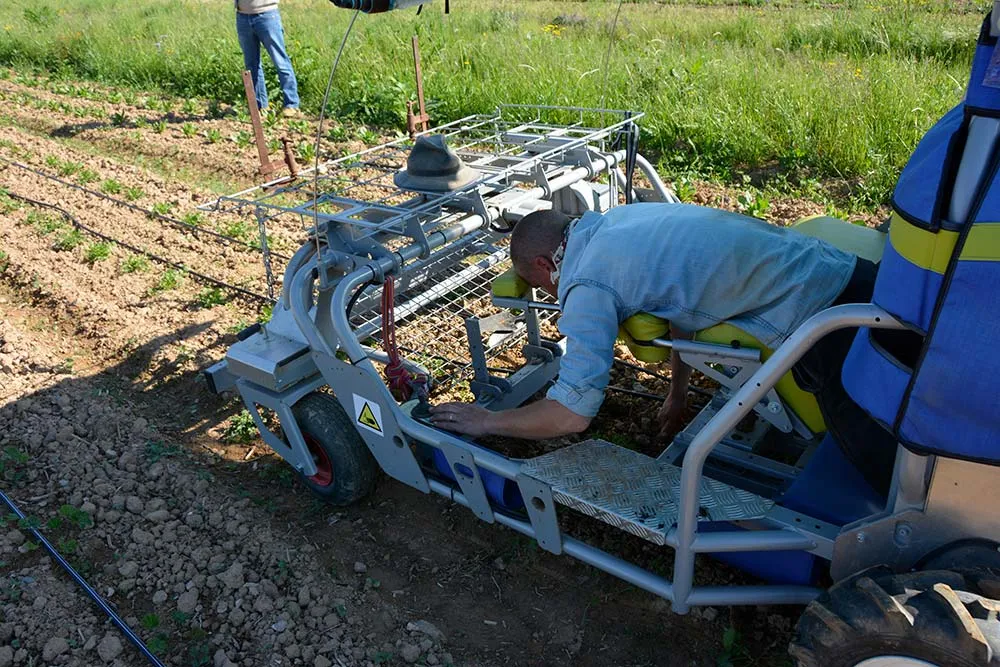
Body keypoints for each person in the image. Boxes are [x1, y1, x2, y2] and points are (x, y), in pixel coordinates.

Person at [429, 203, 897, 494]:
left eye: (543, 287)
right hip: (844, 268)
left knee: (888, 462)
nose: (554, 295)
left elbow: (573, 413)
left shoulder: (587, 279)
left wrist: (488, 421)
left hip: (828, 316)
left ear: (542, 262)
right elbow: (681, 303)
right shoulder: (625, 220)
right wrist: (677, 393)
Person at [235, 0, 301, 117]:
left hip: (266, 14)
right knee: (251, 65)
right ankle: (259, 106)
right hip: (243, 16)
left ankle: (291, 104)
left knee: (280, 61)